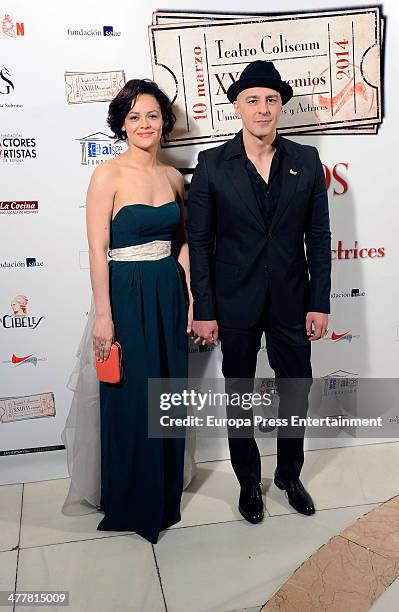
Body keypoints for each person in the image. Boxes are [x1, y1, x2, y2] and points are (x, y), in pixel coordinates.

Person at [188, 61, 331, 523]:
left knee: (296, 390)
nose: (263, 109)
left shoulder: (306, 161)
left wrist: (319, 301)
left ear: (281, 106)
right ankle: (248, 480)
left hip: (292, 299)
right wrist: (204, 308)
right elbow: (201, 243)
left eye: (271, 100)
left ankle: (290, 474)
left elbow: (320, 237)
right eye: (252, 100)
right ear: (237, 107)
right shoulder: (212, 164)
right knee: (240, 393)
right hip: (234, 301)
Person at [61, 79, 195, 544]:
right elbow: (98, 250)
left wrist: (192, 296)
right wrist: (104, 315)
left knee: (168, 393)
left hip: (167, 292)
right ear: (122, 123)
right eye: (134, 116)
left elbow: (179, 245)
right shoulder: (107, 176)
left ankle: (162, 494)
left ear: (164, 122)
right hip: (125, 292)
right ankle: (130, 499)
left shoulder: (175, 178)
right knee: (132, 396)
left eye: (152, 115)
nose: (144, 124)